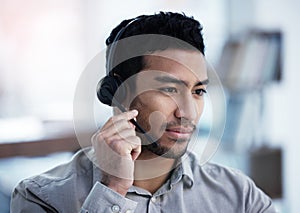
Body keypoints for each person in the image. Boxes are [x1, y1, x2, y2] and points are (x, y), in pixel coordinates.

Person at [11, 12, 276, 212]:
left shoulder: (240, 197)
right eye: (170, 89)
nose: (188, 113)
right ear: (119, 92)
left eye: (198, 91)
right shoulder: (39, 197)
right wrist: (111, 190)